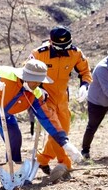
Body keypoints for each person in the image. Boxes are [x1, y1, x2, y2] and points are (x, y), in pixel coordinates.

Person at [0, 60, 82, 178]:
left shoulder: (35, 94)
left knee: (14, 138)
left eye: (40, 81)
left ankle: (12, 176)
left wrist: (65, 142)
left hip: (4, 114)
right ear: (26, 77)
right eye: (35, 80)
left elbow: (48, 118)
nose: (38, 84)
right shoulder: (6, 73)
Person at [29, 26, 92, 174]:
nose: (63, 50)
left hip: (63, 98)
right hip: (44, 98)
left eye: (66, 46)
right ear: (51, 42)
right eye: (59, 47)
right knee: (58, 132)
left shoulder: (75, 53)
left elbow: (85, 71)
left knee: (63, 131)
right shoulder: (38, 54)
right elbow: (27, 74)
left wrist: (85, 85)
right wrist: (38, 88)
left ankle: (42, 160)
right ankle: (65, 164)